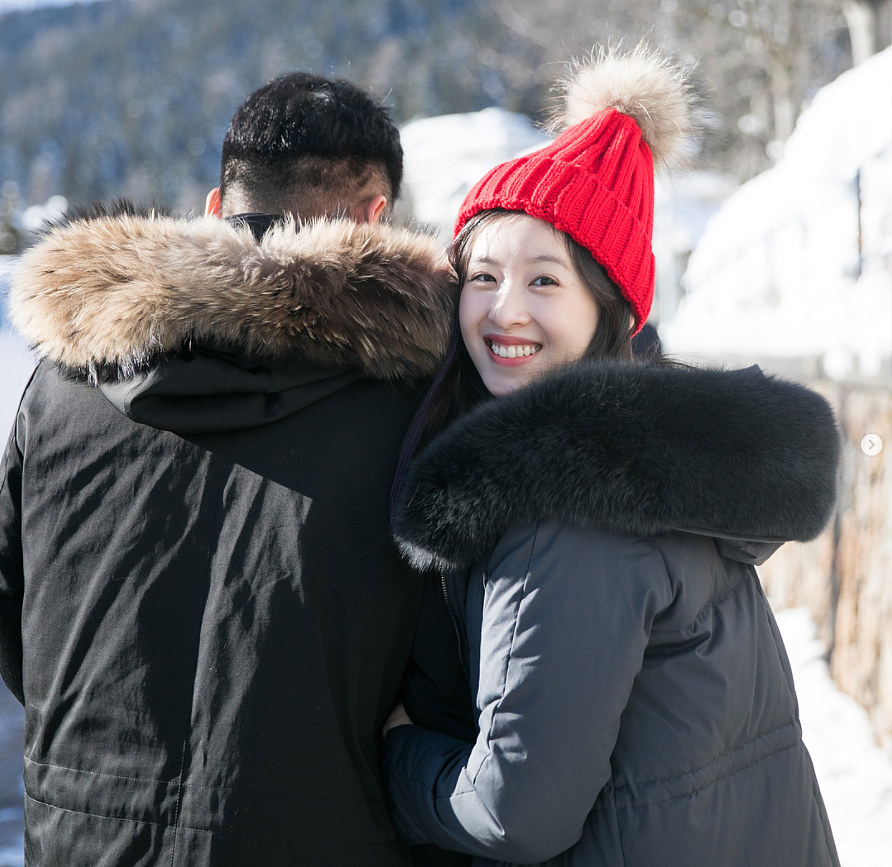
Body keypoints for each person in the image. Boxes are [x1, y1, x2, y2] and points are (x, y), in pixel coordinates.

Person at [382, 47, 841, 866]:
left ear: (610, 305)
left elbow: (516, 812)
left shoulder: (572, 505)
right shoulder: (661, 460)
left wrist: (399, 755)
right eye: (482, 275)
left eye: (546, 281)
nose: (503, 310)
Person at [0, 72, 459, 866]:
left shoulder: (65, 376)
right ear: (376, 220)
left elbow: (15, 610)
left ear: (216, 210)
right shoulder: (420, 405)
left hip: (83, 837)